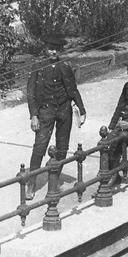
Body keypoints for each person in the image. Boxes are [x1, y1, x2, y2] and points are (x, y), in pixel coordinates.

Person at [26, 46, 86, 192]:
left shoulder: (65, 66)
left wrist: (82, 109)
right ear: (45, 49)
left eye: (56, 49)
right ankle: (31, 183)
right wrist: (34, 116)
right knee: (40, 145)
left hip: (64, 110)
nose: (53, 51)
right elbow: (31, 93)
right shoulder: (38, 67)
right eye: (50, 48)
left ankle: (55, 180)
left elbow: (72, 89)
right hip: (45, 111)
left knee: (62, 146)